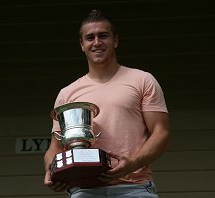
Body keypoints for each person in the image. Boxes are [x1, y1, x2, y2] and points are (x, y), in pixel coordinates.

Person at [44, 9, 170, 198]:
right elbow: (55, 145)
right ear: (81, 45)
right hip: (84, 190)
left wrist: (132, 164)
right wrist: (51, 169)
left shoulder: (142, 80)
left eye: (103, 36)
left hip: (135, 188)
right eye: (90, 37)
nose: (97, 42)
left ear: (115, 41)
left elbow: (161, 132)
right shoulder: (67, 93)